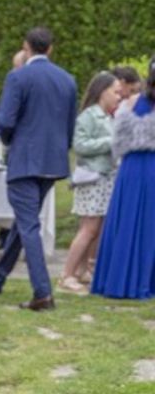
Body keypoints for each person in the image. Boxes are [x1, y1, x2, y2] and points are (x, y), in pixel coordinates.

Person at [0, 27, 77, 311]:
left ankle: (42, 293)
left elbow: (6, 121)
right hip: (53, 161)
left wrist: (10, 144)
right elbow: (69, 125)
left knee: (28, 224)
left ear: (26, 47)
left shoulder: (18, 77)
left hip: (25, 160)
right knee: (25, 220)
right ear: (50, 48)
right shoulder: (67, 80)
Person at [91, 58, 155, 300]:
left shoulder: (129, 103)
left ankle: (117, 279)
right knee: (149, 224)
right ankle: (146, 280)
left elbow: (118, 143)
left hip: (130, 169)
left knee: (127, 222)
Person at [57, 73, 121, 295]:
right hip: (92, 179)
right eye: (115, 91)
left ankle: (83, 270)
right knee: (88, 228)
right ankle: (66, 274)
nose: (118, 97)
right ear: (102, 91)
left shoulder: (108, 116)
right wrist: (109, 142)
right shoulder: (89, 116)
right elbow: (80, 145)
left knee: (97, 228)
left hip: (105, 178)